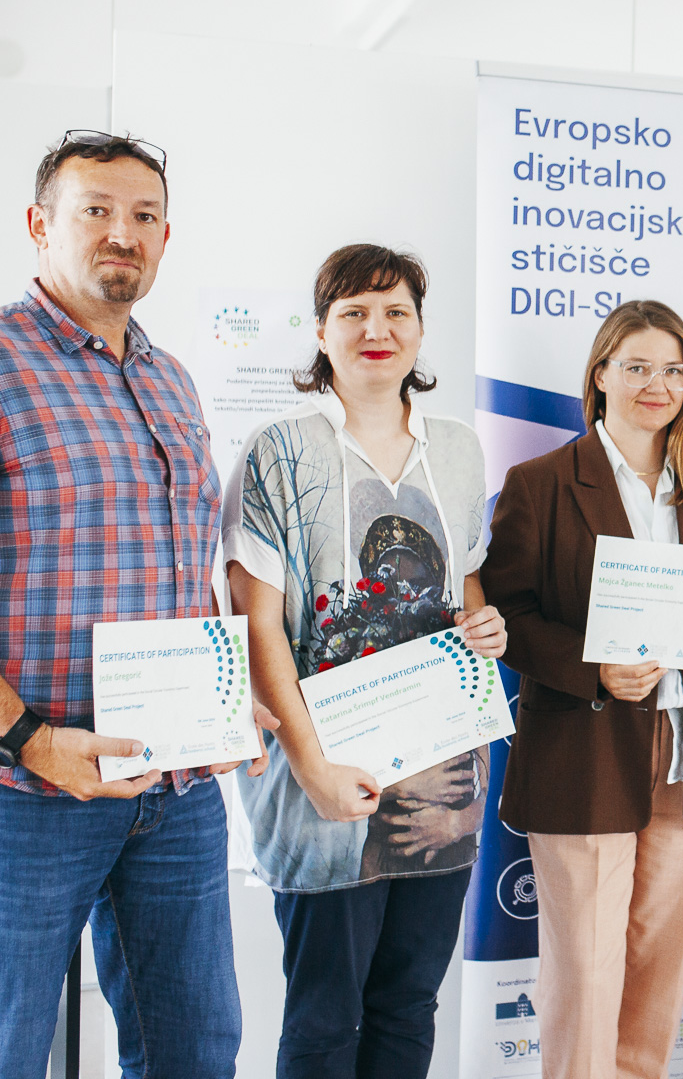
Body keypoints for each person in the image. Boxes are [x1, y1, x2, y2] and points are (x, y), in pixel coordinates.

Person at [0, 131, 274, 1078]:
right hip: (12, 791)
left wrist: (225, 696)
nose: (125, 232)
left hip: (174, 789)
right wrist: (29, 736)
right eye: (97, 211)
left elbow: (179, 567)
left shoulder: (171, 379)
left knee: (195, 1052)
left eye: (145, 216)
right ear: (40, 226)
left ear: (165, 238)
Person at [223, 243, 507, 1077]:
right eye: (354, 312)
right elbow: (259, 623)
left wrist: (486, 626)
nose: (376, 329)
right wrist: (310, 768)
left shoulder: (458, 448)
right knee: (323, 1016)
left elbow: (468, 585)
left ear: (421, 331)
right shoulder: (280, 449)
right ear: (321, 331)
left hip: (442, 776)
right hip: (326, 782)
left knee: (409, 1002)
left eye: (396, 312)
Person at [482, 299, 683, 1079]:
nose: (658, 383)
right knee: (584, 972)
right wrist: (595, 668)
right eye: (637, 366)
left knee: (659, 970)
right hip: (585, 748)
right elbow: (506, 616)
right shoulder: (542, 482)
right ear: (601, 374)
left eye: (674, 369)